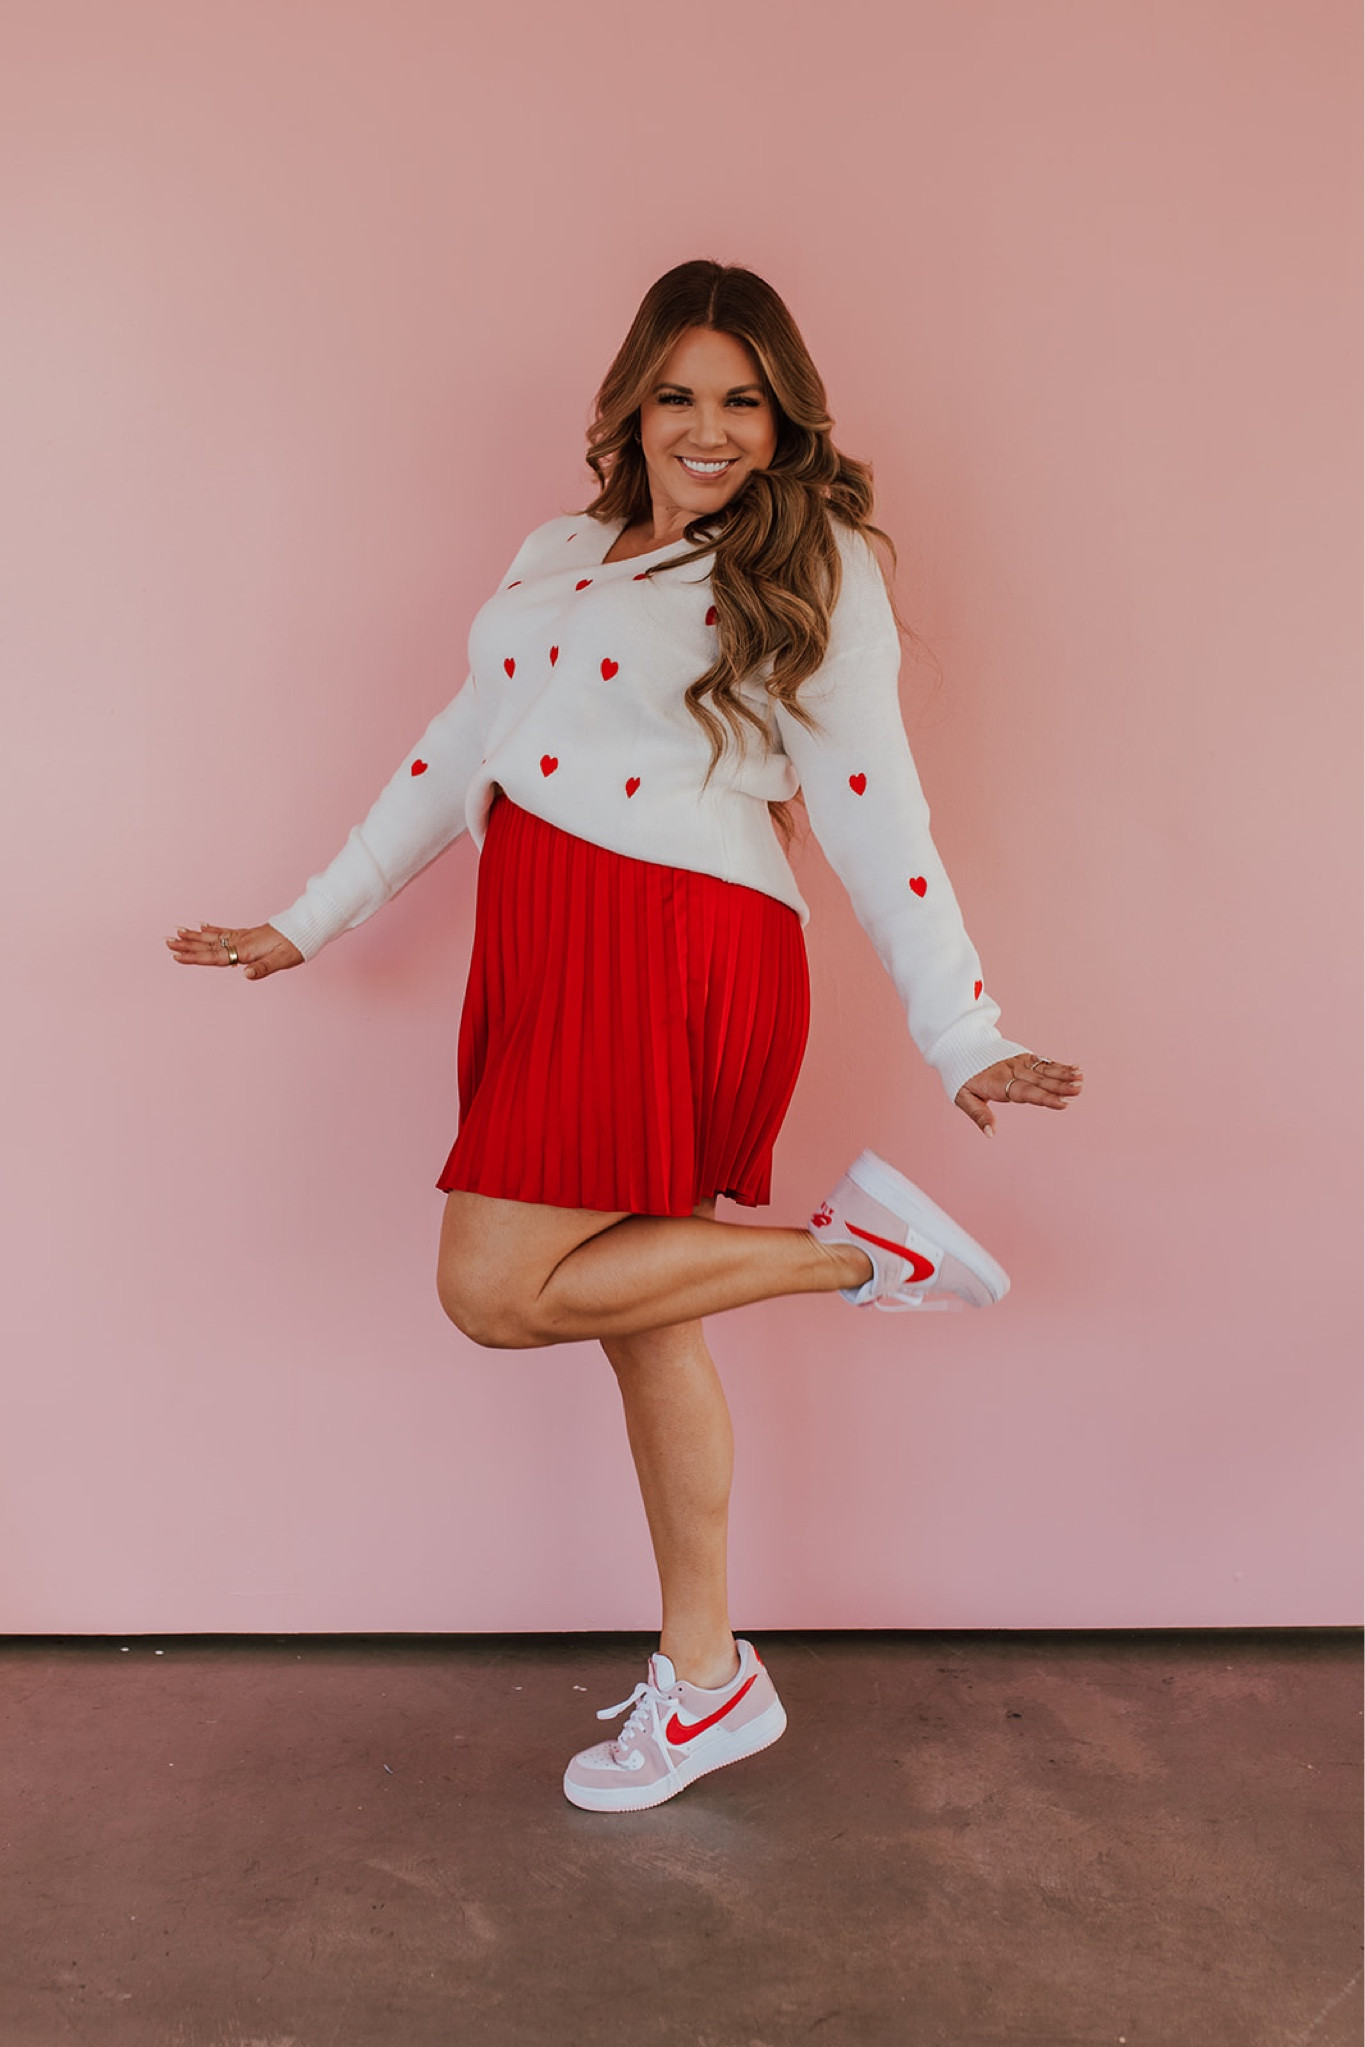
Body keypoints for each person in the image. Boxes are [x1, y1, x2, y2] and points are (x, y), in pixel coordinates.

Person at [167, 259, 1084, 1814]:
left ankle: (866, 1257)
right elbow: (459, 748)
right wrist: (310, 919)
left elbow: (872, 806)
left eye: (742, 400)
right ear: (633, 404)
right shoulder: (560, 552)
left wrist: (961, 1030)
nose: (709, 429)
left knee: (493, 1289)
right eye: (680, 394)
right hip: (545, 947)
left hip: (670, 944)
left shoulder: (814, 563)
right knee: (643, 1314)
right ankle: (707, 1678)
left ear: (784, 418)